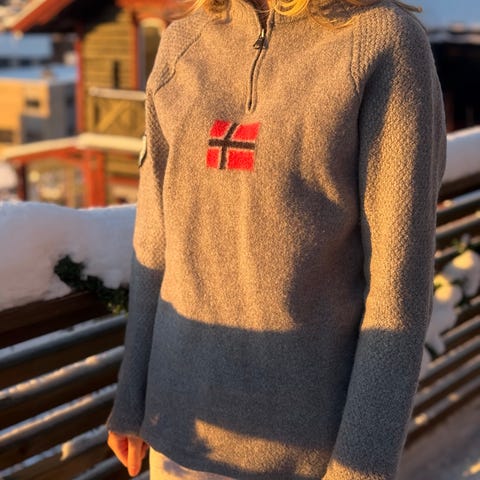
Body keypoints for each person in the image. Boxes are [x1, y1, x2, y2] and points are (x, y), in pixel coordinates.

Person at [106, 0, 446, 478]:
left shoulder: (382, 41)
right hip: (178, 435)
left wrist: (361, 467)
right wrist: (131, 398)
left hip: (308, 456)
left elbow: (398, 292)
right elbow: (155, 243)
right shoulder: (181, 41)